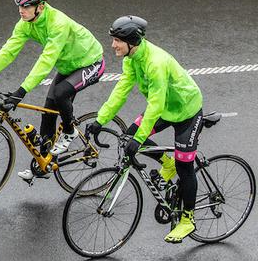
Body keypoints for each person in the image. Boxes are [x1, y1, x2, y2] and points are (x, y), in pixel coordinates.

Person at [0, 0, 105, 181]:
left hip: (90, 62)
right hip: (67, 67)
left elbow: (46, 61)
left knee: (61, 93)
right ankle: (44, 163)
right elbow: (7, 52)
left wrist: (20, 92)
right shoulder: (25, 23)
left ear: (40, 6)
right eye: (19, 6)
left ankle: (70, 131)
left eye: (26, 6)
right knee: (48, 112)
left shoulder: (58, 23)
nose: (21, 10)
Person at [85, 16, 203, 243]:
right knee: (128, 135)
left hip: (186, 111)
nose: (113, 45)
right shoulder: (131, 58)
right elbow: (121, 90)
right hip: (165, 110)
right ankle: (166, 164)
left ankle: (187, 220)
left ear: (132, 41)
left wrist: (139, 140)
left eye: (117, 40)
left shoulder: (155, 62)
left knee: (184, 166)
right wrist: (101, 120)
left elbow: (155, 105)